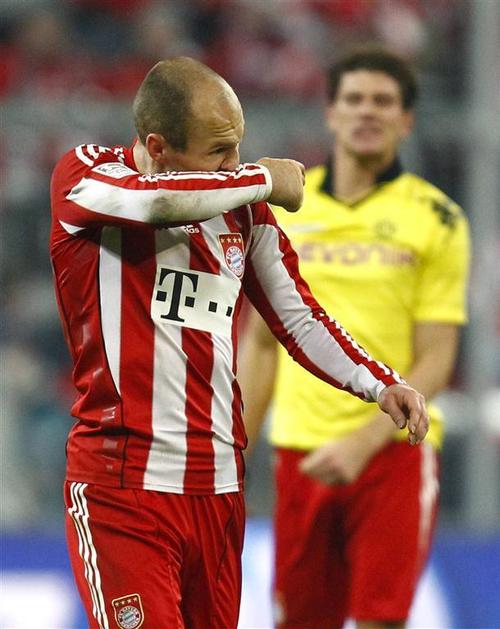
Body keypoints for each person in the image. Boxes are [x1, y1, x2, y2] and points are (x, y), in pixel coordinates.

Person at [50, 56, 428, 629]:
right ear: (158, 147)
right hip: (122, 489)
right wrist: (265, 179)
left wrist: (380, 383)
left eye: (239, 147)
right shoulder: (87, 175)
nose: (234, 162)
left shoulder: (243, 212)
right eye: (218, 150)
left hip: (218, 488)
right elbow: (153, 202)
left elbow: (300, 319)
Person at [239, 46, 470, 629]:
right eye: (355, 99)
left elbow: (437, 358)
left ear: (406, 120)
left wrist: (362, 443)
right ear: (331, 112)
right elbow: (261, 343)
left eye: (383, 101)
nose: (368, 111)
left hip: (393, 453)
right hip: (300, 451)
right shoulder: (285, 208)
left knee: (380, 621)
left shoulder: (437, 219)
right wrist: (234, 451)